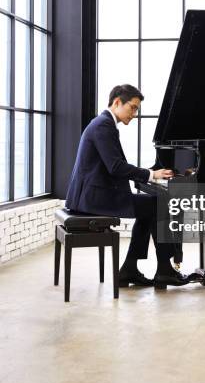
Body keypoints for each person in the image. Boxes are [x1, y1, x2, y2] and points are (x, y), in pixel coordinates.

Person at [65, 83, 190, 288]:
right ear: (117, 102)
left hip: (91, 195)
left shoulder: (102, 123)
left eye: (137, 109)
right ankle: (164, 269)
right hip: (93, 199)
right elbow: (116, 167)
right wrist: (151, 174)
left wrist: (147, 176)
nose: (135, 114)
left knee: (149, 208)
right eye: (132, 107)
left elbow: (115, 167)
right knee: (158, 205)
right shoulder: (103, 126)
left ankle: (130, 269)